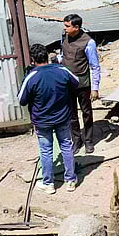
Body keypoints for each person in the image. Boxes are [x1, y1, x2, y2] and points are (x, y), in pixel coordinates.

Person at [17, 43, 80, 194]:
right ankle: (70, 180)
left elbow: (21, 99)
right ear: (46, 55)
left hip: (42, 120)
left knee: (46, 151)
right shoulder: (61, 70)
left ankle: (48, 183)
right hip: (63, 117)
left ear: (32, 60)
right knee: (66, 146)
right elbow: (76, 82)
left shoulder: (32, 76)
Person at [59, 13, 101, 153]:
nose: (64, 28)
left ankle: (89, 140)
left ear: (76, 27)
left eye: (67, 26)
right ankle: (76, 140)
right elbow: (63, 54)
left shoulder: (88, 42)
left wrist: (95, 88)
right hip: (67, 82)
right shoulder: (64, 36)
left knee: (86, 112)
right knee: (71, 113)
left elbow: (94, 66)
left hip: (83, 84)